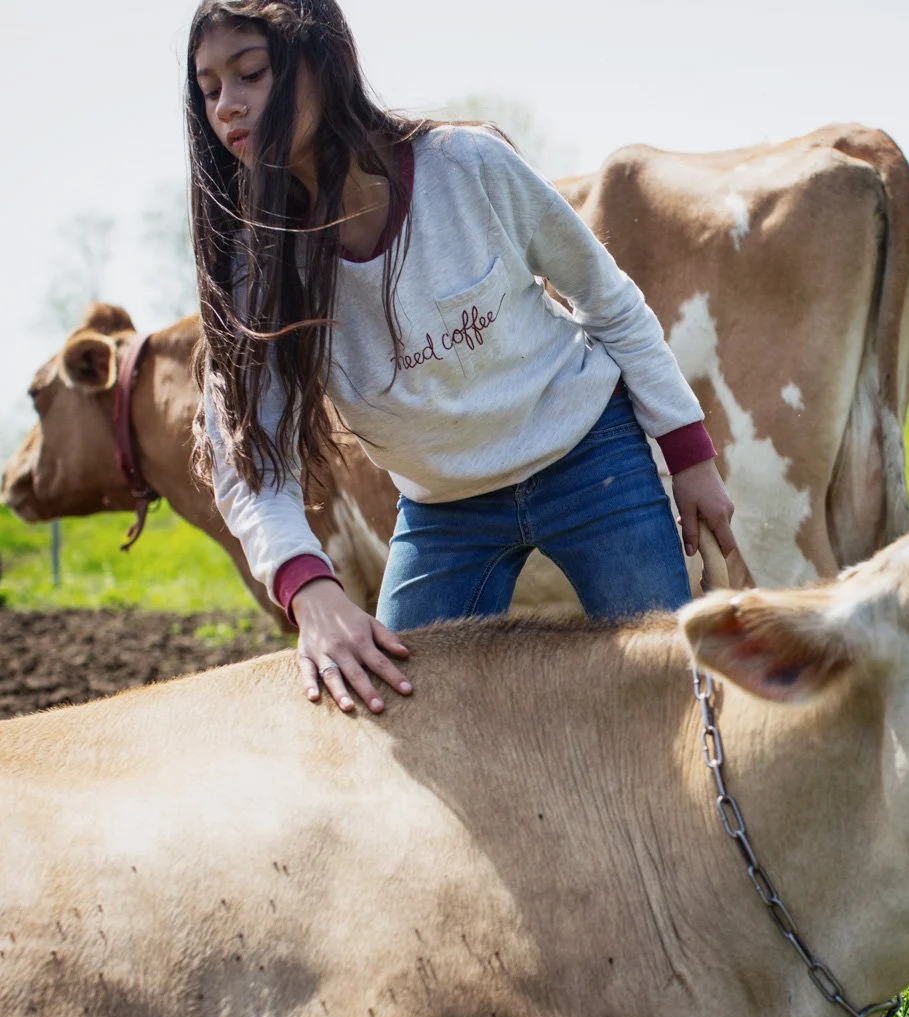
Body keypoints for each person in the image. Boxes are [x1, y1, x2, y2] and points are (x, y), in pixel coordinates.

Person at [187, 0, 737, 715]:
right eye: (208, 89)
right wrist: (309, 589)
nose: (227, 106)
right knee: (400, 712)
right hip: (444, 510)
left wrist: (689, 454)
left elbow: (609, 300)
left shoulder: (466, 166)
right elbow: (247, 459)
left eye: (250, 74)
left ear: (320, 65)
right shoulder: (254, 269)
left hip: (590, 460)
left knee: (670, 697)